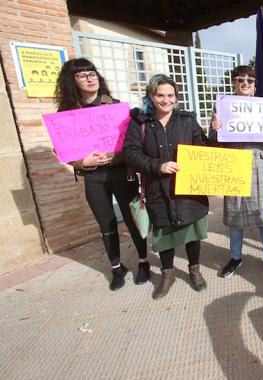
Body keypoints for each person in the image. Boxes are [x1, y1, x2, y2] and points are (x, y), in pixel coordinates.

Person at [53, 58, 148, 291]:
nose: (90, 77)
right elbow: (62, 149)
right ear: (71, 81)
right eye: (82, 75)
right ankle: (117, 268)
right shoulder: (67, 114)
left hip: (121, 172)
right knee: (106, 223)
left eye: (92, 72)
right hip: (93, 177)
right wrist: (82, 162)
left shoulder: (115, 107)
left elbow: (132, 143)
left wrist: (118, 155)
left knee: (132, 219)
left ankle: (144, 263)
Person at [123, 74, 209, 299]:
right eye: (160, 95)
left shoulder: (187, 120)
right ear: (152, 96)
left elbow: (203, 148)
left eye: (170, 95)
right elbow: (130, 154)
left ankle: (194, 270)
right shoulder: (139, 123)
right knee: (164, 236)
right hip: (157, 190)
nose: (166, 100)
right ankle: (167, 275)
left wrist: (215, 132)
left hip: (188, 190)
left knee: (192, 234)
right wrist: (157, 166)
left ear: (176, 97)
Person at [210, 65, 263, 280]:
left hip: (259, 166)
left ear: (254, 87)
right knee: (235, 216)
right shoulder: (222, 107)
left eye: (250, 81)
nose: (245, 83)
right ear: (234, 83)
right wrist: (215, 129)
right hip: (233, 166)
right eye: (240, 79)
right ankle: (236, 258)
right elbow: (213, 143)